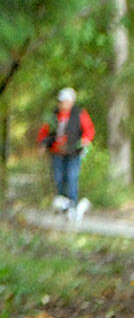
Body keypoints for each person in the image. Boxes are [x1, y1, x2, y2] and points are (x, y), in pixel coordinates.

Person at [37, 87, 94, 220]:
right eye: (61, 101)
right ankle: (62, 206)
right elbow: (45, 132)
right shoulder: (53, 115)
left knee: (72, 178)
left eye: (66, 101)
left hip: (73, 152)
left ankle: (73, 207)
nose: (63, 104)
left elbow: (89, 130)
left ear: (72, 101)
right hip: (57, 152)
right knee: (58, 178)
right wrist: (43, 144)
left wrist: (85, 141)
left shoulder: (79, 113)